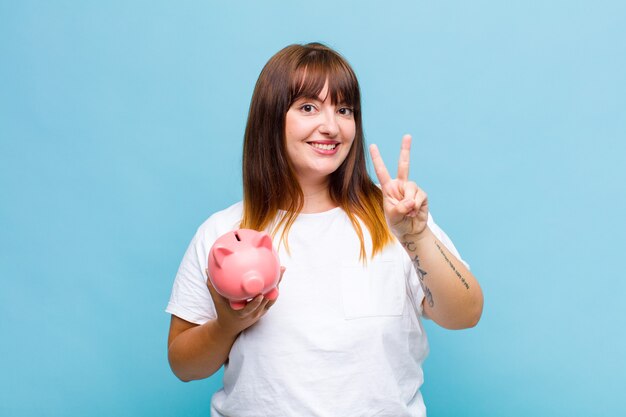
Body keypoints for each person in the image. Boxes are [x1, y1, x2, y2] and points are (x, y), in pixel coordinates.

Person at [166, 42, 484, 417]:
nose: (331, 126)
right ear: (271, 118)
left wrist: (416, 236)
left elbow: (466, 313)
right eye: (308, 108)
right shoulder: (224, 231)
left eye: (344, 109)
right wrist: (227, 325)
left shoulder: (395, 216)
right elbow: (183, 366)